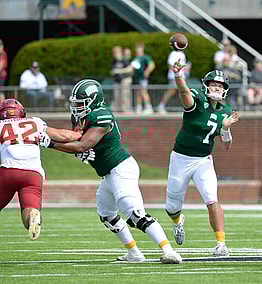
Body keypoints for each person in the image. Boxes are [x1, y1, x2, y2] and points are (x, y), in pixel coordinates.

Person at [38, 79, 182, 264]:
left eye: (81, 103)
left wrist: (50, 143)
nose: (76, 108)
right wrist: (79, 153)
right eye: (75, 103)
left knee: (135, 215)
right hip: (108, 172)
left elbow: (83, 144)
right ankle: (134, 253)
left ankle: (169, 251)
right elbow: (80, 142)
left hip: (121, 168)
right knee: (107, 214)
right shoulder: (81, 117)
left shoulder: (102, 115)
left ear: (94, 101)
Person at [165, 61, 240, 256]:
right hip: (180, 158)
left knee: (211, 199)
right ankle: (177, 221)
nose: (217, 88)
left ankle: (221, 244)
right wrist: (178, 76)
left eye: (221, 85)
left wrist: (226, 128)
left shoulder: (225, 111)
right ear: (206, 85)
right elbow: (184, 94)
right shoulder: (197, 98)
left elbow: (226, 146)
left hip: (203, 160)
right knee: (172, 207)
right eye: (214, 84)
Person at [0, 98, 81, 240]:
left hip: (9, 171)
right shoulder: (34, 122)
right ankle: (32, 217)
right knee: (29, 209)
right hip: (33, 174)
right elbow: (63, 136)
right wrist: (78, 134)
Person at [156, 49, 187, 114]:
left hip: (181, 76)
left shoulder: (182, 54)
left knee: (182, 91)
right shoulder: (173, 53)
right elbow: (170, 64)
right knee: (171, 91)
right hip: (174, 76)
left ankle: (185, 107)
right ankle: (161, 106)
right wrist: (175, 72)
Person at [130, 42, 155, 114]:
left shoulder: (145, 57)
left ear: (142, 49)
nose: (137, 50)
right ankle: (139, 107)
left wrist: (146, 72)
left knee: (144, 92)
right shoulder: (135, 58)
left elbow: (151, 65)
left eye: (139, 48)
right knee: (138, 93)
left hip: (143, 78)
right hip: (137, 78)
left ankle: (149, 107)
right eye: (136, 48)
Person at [110, 46, 133, 112]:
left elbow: (130, 69)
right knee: (117, 95)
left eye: (117, 52)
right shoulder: (114, 61)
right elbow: (112, 70)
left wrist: (119, 71)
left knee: (125, 95)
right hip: (117, 80)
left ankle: (126, 109)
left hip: (125, 79)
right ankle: (118, 108)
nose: (115, 54)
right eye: (114, 52)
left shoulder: (124, 60)